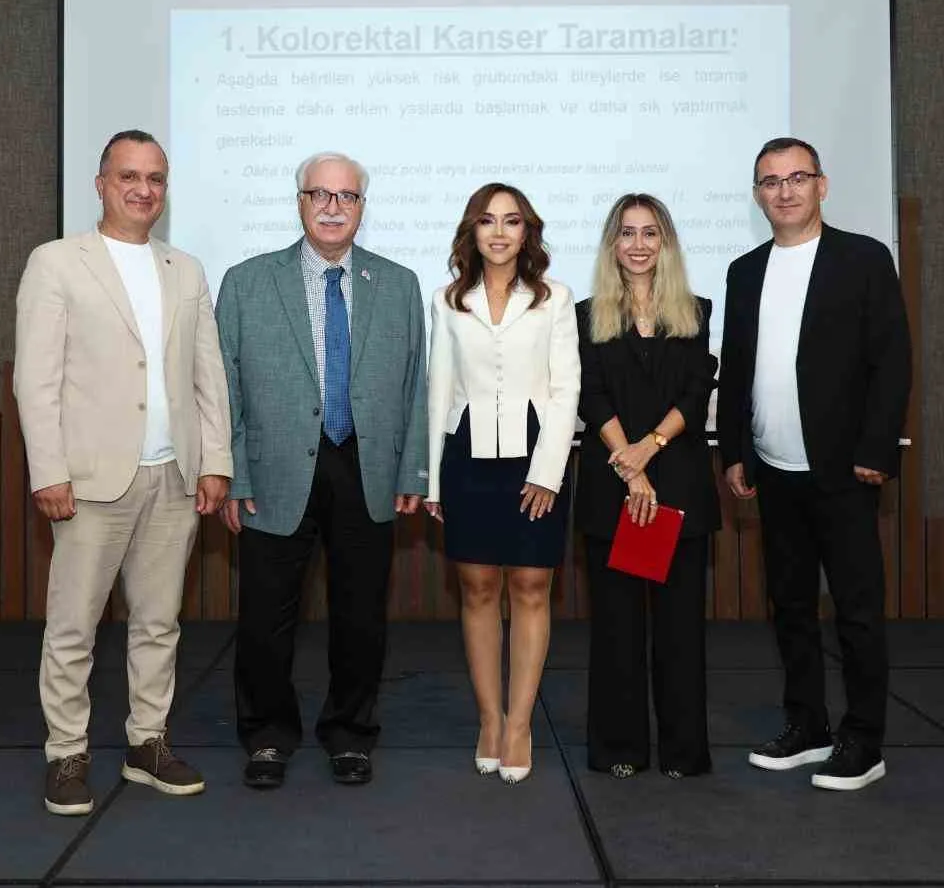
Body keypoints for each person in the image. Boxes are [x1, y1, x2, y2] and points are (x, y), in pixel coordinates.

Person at [14, 129, 233, 815]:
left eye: (156, 179)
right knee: (74, 627)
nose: (144, 190)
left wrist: (216, 460)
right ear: (101, 183)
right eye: (129, 176)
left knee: (158, 623)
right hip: (88, 481)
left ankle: (147, 744)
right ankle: (67, 753)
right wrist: (48, 469)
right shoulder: (56, 263)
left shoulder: (186, 269)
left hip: (173, 477)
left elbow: (208, 375)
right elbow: (35, 379)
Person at [216, 151, 429, 790]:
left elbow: (417, 382)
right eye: (320, 195)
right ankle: (267, 736)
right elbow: (222, 387)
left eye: (347, 196)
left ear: (362, 206)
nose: (333, 207)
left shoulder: (398, 284)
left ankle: (349, 734)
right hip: (274, 471)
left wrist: (412, 471)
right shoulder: (248, 281)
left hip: (366, 468)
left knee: (361, 616)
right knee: (264, 617)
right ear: (300, 202)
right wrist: (232, 476)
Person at [716, 136, 911, 792]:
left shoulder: (862, 259)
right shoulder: (745, 271)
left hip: (844, 472)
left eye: (798, 178)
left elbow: (892, 362)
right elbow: (737, 367)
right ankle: (808, 725)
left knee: (856, 610)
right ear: (757, 195)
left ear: (822, 186)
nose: (785, 191)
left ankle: (865, 739)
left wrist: (877, 451)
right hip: (772, 470)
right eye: (770, 181)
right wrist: (735, 451)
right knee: (790, 605)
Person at [424, 184, 579, 784]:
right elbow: (440, 391)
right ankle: (489, 719)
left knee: (533, 587)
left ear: (526, 232)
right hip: (467, 459)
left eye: (511, 222)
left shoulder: (554, 299)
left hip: (534, 457)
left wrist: (547, 472)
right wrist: (433, 480)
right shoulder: (447, 300)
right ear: (472, 230)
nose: (499, 232)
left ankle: (520, 723)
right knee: (478, 587)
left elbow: (566, 389)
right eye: (487, 221)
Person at [574, 193, 717, 780]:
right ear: (612, 245)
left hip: (679, 488)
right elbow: (592, 396)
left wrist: (648, 450)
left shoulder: (698, 312)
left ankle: (683, 754)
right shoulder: (585, 316)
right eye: (627, 234)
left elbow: (695, 394)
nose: (638, 245)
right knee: (617, 631)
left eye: (650, 233)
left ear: (666, 243)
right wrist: (629, 467)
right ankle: (619, 751)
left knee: (680, 634)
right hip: (614, 491)